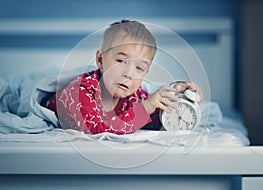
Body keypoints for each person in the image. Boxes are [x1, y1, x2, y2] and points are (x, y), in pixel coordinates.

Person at [46, 19, 202, 135]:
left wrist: (178, 98)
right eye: (121, 61)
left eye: (139, 68)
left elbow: (153, 121)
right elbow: (97, 131)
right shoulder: (81, 91)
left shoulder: (134, 95)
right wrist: (146, 106)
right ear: (101, 60)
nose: (129, 74)